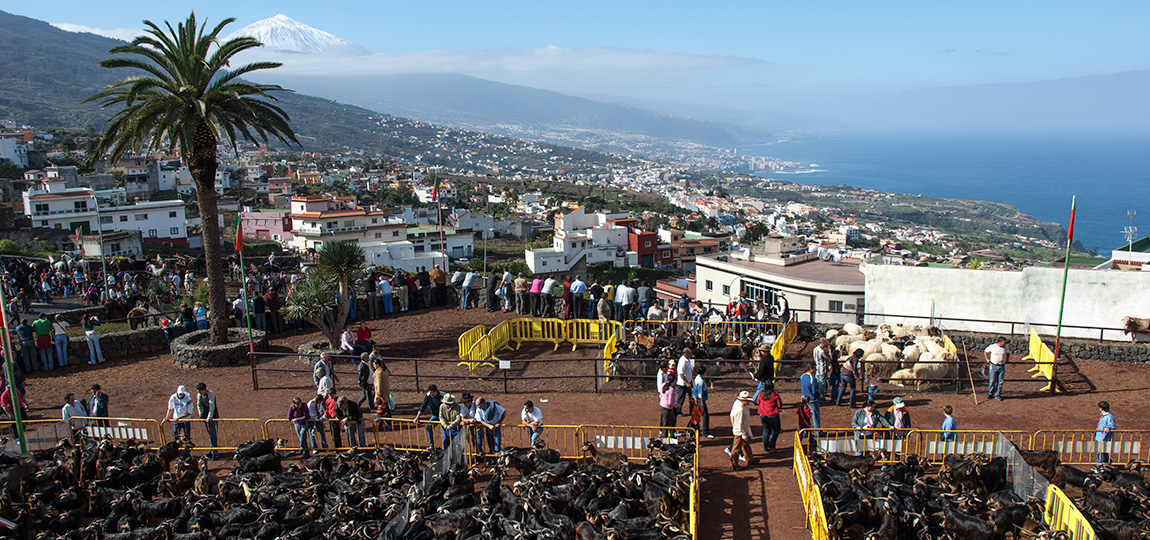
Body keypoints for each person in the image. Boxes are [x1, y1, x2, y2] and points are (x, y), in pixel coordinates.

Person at [728, 391, 755, 471]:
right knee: (736, 449)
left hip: (742, 429)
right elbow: (739, 423)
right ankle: (733, 464)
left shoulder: (739, 404)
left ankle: (750, 459)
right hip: (739, 431)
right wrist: (743, 435)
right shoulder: (740, 410)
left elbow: (733, 417)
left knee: (746, 445)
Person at [755, 382, 782, 453]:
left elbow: (757, 402)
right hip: (773, 415)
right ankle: (771, 444)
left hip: (762, 415)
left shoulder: (761, 394)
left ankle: (765, 446)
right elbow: (779, 405)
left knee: (766, 430)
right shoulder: (775, 395)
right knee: (776, 430)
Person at [196, 383, 220, 459]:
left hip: (212, 417)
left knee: (213, 434)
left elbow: (211, 405)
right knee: (210, 435)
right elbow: (198, 404)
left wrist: (209, 416)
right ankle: (212, 449)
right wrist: (201, 415)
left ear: (204, 389)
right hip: (204, 417)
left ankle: (215, 452)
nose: (199, 392)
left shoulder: (210, 394)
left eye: (200, 391)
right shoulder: (199, 395)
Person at [690, 365, 713, 438]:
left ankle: (691, 429)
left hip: (696, 399)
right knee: (705, 415)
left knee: (696, 415)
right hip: (698, 400)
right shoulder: (700, 381)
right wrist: (701, 404)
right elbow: (700, 393)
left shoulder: (699, 378)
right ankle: (705, 432)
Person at [984, 336, 1008, 401]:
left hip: (1001, 365)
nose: (1005, 344)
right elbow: (986, 351)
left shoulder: (1005, 347)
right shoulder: (992, 347)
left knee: (1000, 381)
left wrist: (1006, 360)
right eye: (1004, 343)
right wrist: (987, 359)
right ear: (1000, 342)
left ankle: (998, 394)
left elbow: (1008, 353)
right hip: (993, 365)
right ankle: (990, 393)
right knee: (992, 380)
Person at [800, 364, 822, 432]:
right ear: (811, 369)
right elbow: (814, 391)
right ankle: (817, 431)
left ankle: (806, 432)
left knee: (805, 416)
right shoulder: (813, 378)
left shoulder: (802, 376)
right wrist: (820, 396)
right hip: (812, 400)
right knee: (815, 416)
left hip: (804, 398)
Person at [657, 361, 677, 435]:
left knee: (666, 418)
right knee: (666, 419)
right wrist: (675, 405)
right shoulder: (661, 376)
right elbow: (660, 388)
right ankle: (664, 433)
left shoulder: (664, 375)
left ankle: (669, 432)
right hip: (665, 400)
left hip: (664, 399)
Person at [675, 348, 695, 416]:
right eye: (690, 353)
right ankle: (678, 411)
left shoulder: (688, 360)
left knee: (692, 397)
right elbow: (680, 373)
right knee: (681, 398)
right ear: (686, 354)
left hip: (688, 382)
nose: (691, 354)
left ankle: (692, 410)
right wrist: (686, 383)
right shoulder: (682, 361)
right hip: (683, 384)